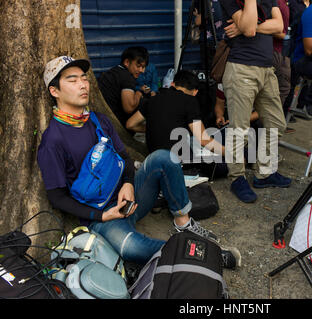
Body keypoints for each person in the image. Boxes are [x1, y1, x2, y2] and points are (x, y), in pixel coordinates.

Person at [38, 56, 240, 268]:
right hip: (103, 217)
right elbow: (57, 196)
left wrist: (128, 184)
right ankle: (206, 256)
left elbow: (124, 157)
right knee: (131, 248)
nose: (82, 84)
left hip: (130, 200)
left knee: (164, 156)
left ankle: (184, 223)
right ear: (55, 91)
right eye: (72, 80)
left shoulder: (99, 120)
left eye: (84, 78)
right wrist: (102, 215)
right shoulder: (53, 139)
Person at [219, 0, 291, 204]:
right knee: (239, 129)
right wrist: (247, 27)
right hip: (241, 68)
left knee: (277, 123)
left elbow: (280, 28)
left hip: (266, 70)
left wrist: (243, 28)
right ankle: (237, 177)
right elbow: (249, 30)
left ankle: (264, 173)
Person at [126, 69, 225, 160]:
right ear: (195, 92)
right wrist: (230, 152)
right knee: (221, 164)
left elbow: (130, 124)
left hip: (154, 156)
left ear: (172, 84)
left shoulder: (152, 100)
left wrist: (153, 127)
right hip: (178, 160)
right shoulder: (190, 101)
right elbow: (204, 140)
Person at [97, 46, 149, 134]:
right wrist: (139, 93)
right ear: (127, 62)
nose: (142, 71)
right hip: (116, 125)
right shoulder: (127, 78)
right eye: (138, 66)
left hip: (102, 121)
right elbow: (129, 108)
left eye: (143, 67)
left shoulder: (113, 72)